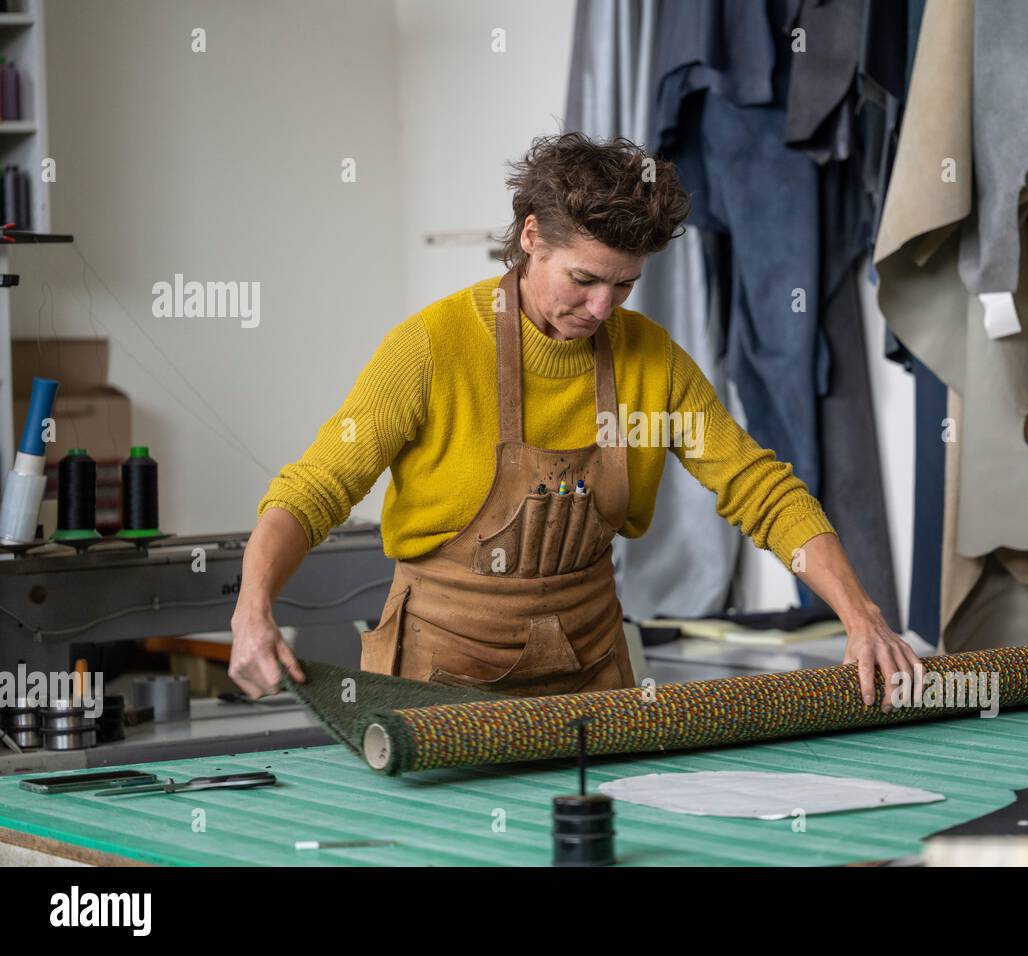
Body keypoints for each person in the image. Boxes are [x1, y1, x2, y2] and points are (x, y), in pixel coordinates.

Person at [229, 132, 921, 708]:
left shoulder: (651, 361)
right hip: (438, 683)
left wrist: (860, 616)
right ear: (532, 237)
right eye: (584, 280)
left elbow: (758, 489)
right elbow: (314, 488)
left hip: (594, 682)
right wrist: (253, 610)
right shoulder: (429, 349)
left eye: (623, 285)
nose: (601, 310)